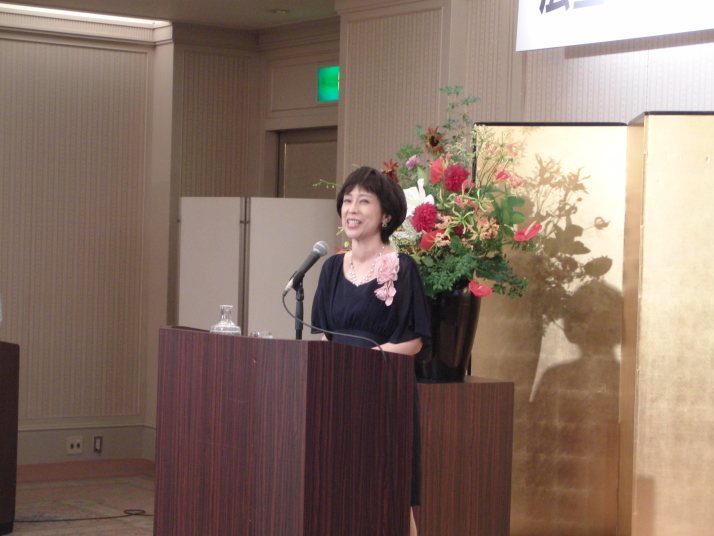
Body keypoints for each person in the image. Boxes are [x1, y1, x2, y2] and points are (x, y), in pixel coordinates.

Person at [311, 166, 430, 536]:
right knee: (337, 489)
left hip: (383, 394)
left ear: (386, 215)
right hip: (337, 395)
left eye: (364, 201)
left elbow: (414, 340)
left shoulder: (403, 268)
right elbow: (324, 336)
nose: (352, 209)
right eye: (347, 200)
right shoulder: (331, 268)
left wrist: (366, 363)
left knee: (390, 496)